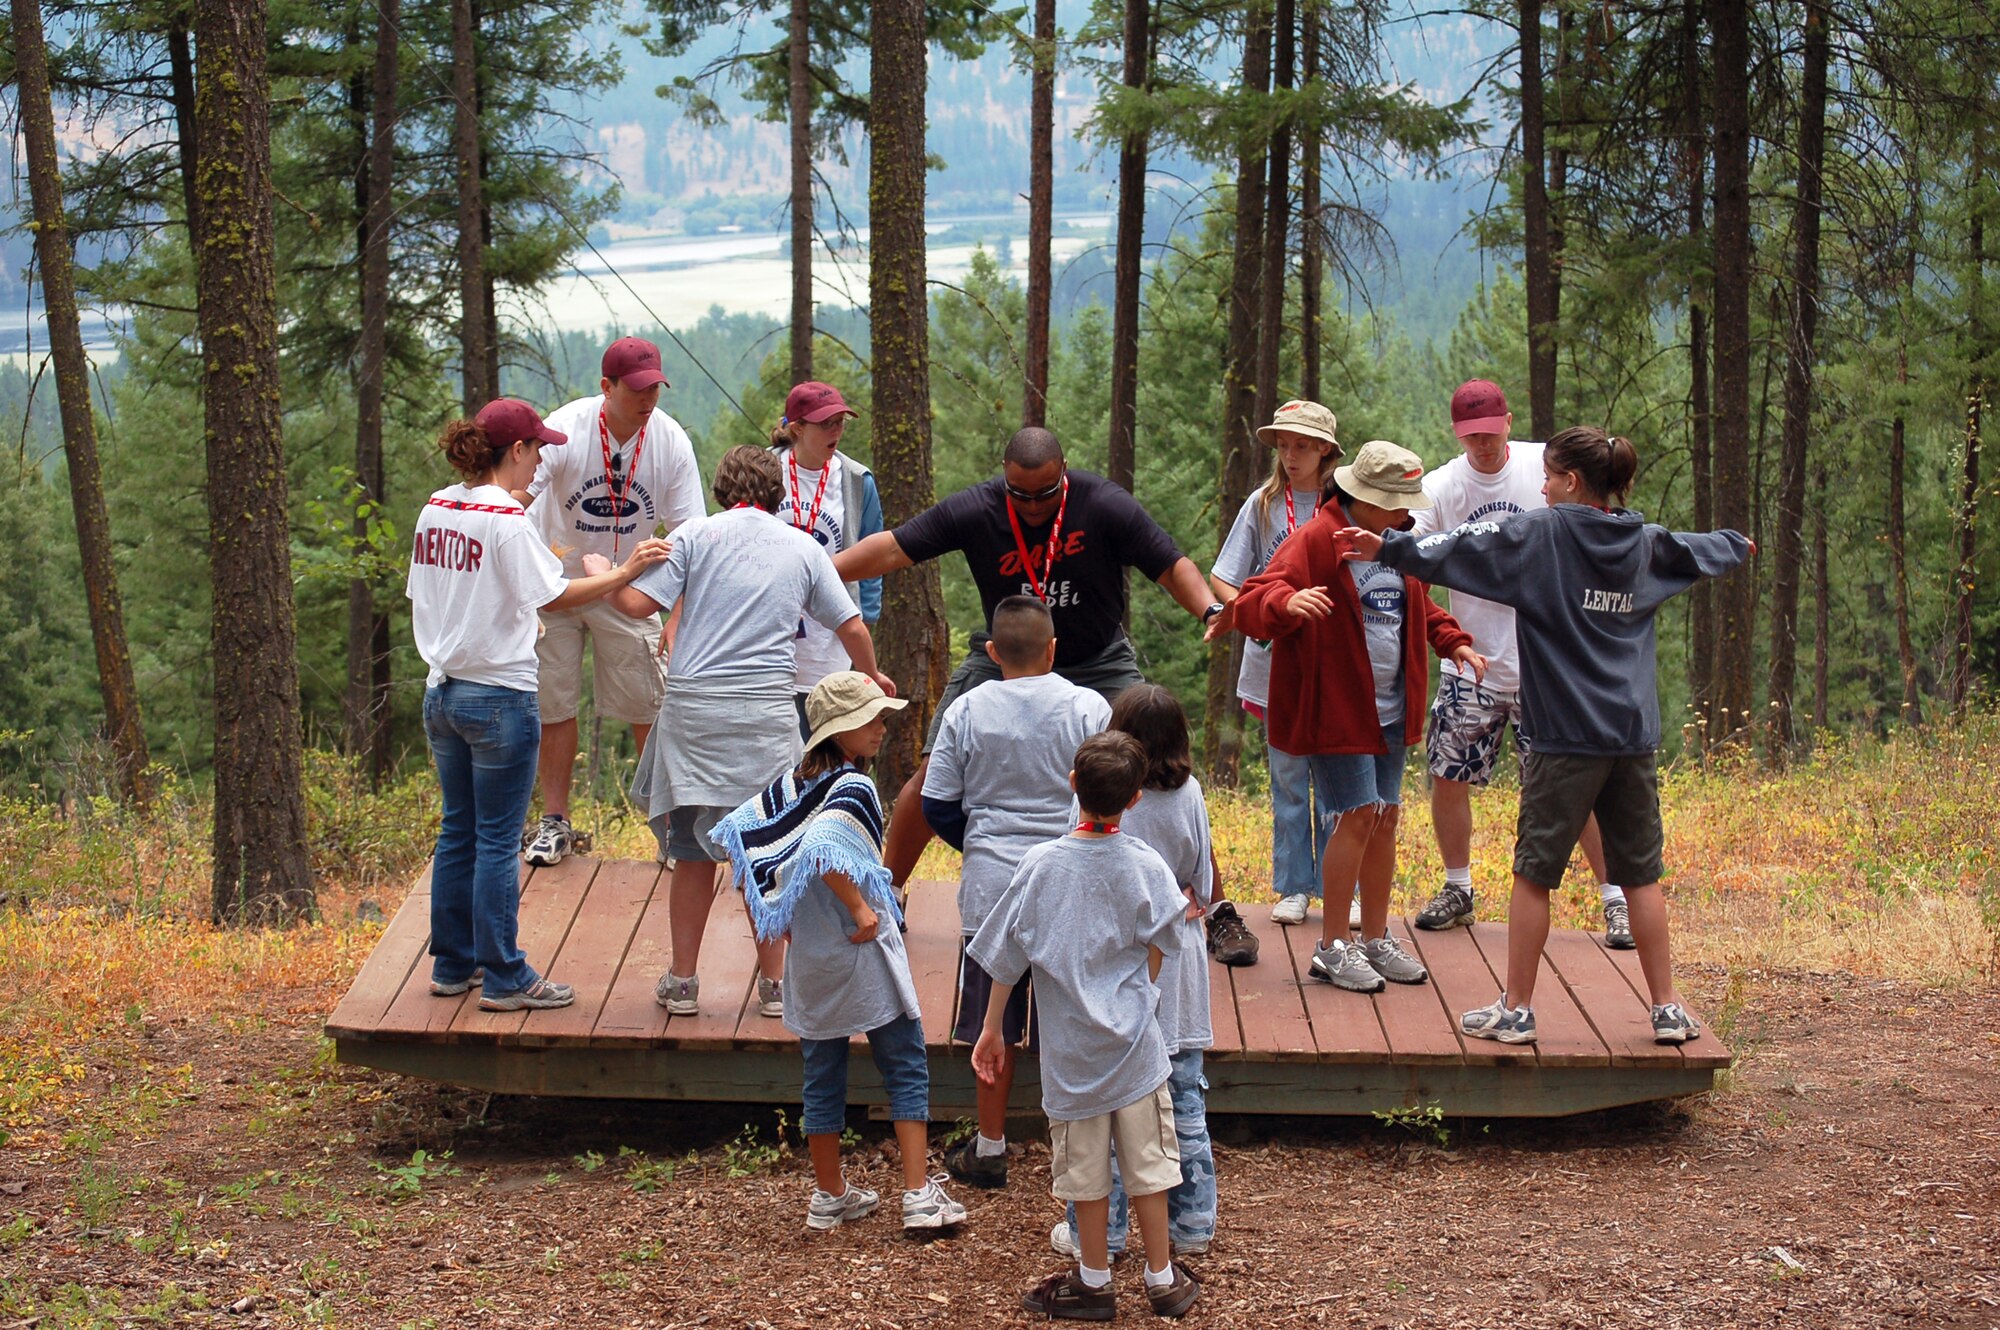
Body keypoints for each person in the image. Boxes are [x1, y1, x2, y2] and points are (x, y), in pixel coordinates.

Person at [1343, 425, 1751, 1044]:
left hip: (1564, 739)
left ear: (1572, 482)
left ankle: (1517, 1009)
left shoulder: (1540, 537)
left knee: (1534, 876)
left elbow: (1459, 548)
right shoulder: (1644, 544)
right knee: (1640, 876)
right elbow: (1700, 549)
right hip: (1632, 738)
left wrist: (1389, 547)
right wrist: (1736, 544)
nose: (1542, 487)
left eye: (1550, 478)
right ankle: (1667, 1009)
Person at [830, 427, 1242, 923]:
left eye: (1044, 493)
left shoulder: (1104, 505)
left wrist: (1210, 610)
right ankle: (888, 889)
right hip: (1006, 654)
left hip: (1098, 657)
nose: (1030, 506)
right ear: (1004, 479)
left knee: (1159, 761)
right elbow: (893, 549)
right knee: (934, 764)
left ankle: (1217, 908)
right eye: (1018, 494)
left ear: (1063, 473)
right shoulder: (978, 508)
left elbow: (1171, 566)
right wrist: (817, 568)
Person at [607, 445, 895, 1021]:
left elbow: (637, 605)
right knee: (766, 849)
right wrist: (872, 677)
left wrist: (606, 575)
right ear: (776, 492)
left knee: (692, 855)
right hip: (765, 718)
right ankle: (774, 985)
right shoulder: (804, 547)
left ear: (721, 488)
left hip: (695, 716)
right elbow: (852, 625)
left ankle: (683, 983)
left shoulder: (694, 536)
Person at [407, 399, 670, 1013]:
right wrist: (625, 571)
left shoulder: (436, 508)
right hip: (498, 695)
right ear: (517, 450)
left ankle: (453, 965)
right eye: (537, 450)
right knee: (499, 841)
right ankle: (506, 976)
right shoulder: (506, 519)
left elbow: (433, 589)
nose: (540, 463)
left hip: (441, 691)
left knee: (458, 831)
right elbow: (553, 597)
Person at [712, 672, 966, 1233]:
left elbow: (743, 843)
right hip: (861, 949)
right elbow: (826, 845)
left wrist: (779, 918)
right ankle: (918, 1196)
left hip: (813, 958)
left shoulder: (786, 788)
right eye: (870, 719)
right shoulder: (853, 786)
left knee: (822, 1075)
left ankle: (829, 1195)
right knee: (905, 1063)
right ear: (838, 729)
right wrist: (859, 907)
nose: (881, 728)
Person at [1233, 442, 1484, 993]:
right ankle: (1331, 947)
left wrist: (1452, 641)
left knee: (1383, 817)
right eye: (1398, 503)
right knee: (1355, 815)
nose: (1408, 513)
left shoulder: (1394, 544)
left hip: (1390, 711)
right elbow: (1252, 601)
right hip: (1338, 710)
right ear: (1366, 500)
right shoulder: (1316, 539)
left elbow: (1419, 604)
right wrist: (1286, 604)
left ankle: (1374, 938)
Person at [969, 732, 1200, 1321]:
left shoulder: (1041, 866)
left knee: (1085, 1173)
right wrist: (1142, 990)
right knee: (1150, 1166)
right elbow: (1165, 939)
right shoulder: (1146, 866)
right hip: (1136, 1050)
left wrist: (992, 1028)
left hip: (1071, 1058)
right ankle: (1162, 1278)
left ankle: (1094, 1281)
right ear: (1135, 799)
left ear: (1072, 784)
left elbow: (1006, 957)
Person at [1410, 380, 1630, 947]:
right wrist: (1442, 633)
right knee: (1449, 775)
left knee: (1575, 786)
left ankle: (1615, 898)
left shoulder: (1545, 469)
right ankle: (1458, 887)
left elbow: (1598, 528)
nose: (1482, 444)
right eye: (1470, 436)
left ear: (1508, 422)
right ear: (1456, 434)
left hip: (1546, 665)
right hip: (1473, 662)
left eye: (1490, 432)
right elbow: (1411, 560)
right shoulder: (1441, 487)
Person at [920, 596, 1111, 1190]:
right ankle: (1074, 1149)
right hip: (1068, 884)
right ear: (1053, 649)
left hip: (991, 889)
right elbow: (1107, 796)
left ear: (992, 652)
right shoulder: (1088, 707)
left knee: (991, 1025)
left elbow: (936, 803)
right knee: (1067, 1022)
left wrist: (979, 842)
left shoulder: (966, 710)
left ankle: (990, 1146)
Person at [517, 336, 706, 868]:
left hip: (628, 587)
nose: (649, 399)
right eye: (637, 389)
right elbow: (517, 499)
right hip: (556, 583)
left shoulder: (669, 440)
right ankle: (555, 821)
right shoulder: (566, 429)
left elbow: (691, 537)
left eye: (655, 388)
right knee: (553, 703)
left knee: (650, 703)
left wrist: (678, 614)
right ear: (607, 387)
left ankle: (667, 828)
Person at [1051, 685, 1217, 1262]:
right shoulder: (1190, 793)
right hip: (1178, 963)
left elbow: (1077, 862)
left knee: (1109, 1106)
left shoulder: (1100, 798)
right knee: (1184, 1097)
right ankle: (1192, 1224)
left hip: (1114, 962)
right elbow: (1204, 881)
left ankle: (1103, 1236)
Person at [1209, 398, 1357, 939]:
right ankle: (1294, 885)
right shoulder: (1264, 504)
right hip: (1276, 664)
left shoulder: (1347, 506)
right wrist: (1253, 614)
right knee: (1290, 779)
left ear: (1326, 452)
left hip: (1336, 664)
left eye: (1303, 447)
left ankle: (1343, 889)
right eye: (1284, 446)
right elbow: (1225, 577)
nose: (1290, 457)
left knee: (1338, 781)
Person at [767, 381, 885, 727]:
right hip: (770, 628)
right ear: (797, 428)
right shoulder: (764, 469)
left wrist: (864, 623)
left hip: (830, 634)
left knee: (826, 735)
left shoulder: (857, 480)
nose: (836, 431)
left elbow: (871, 555)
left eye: (840, 422)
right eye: (826, 424)